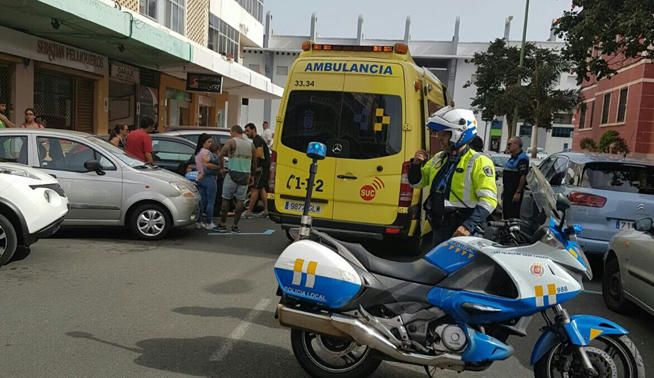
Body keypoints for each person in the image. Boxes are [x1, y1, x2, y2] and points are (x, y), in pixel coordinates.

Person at [409, 107, 498, 247]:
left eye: (444, 134)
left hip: (464, 231)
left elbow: (489, 201)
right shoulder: (439, 158)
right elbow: (417, 183)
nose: (439, 138)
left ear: (458, 134)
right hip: (440, 227)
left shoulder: (479, 161)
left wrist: (468, 226)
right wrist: (415, 165)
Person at [216, 125, 256, 233]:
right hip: (245, 176)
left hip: (232, 174)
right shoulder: (250, 144)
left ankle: (223, 224)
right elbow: (254, 161)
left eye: (230, 133)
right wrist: (252, 175)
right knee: (240, 201)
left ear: (233, 132)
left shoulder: (231, 142)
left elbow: (221, 155)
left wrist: (221, 168)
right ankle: (235, 225)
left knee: (226, 199)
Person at [243, 123, 270, 218]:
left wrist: (254, 170)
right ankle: (266, 210)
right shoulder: (256, 140)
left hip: (261, 168)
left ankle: (249, 211)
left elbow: (258, 157)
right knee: (261, 189)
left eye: (248, 131)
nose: (246, 133)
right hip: (263, 167)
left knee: (255, 189)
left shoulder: (258, 141)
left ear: (254, 130)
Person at [194, 134, 220, 230]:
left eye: (211, 142)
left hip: (200, 177)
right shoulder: (207, 152)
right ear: (203, 142)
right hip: (209, 178)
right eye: (208, 142)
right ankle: (209, 222)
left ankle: (199, 221)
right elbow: (208, 165)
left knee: (202, 202)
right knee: (210, 202)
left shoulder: (198, 152)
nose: (210, 144)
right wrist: (218, 167)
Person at [502, 137, 529, 220]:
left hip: (514, 193)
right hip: (507, 191)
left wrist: (518, 192)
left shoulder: (522, 158)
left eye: (509, 144)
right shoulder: (511, 158)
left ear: (517, 145)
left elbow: (523, 176)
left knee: (512, 215)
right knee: (506, 213)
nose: (508, 146)